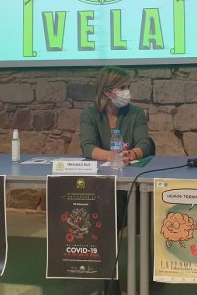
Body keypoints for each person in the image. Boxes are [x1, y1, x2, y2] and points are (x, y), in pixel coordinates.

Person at [79, 66, 151, 295]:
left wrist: (132, 154)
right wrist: (112, 155)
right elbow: (87, 147)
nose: (127, 92)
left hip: (131, 185)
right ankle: (112, 286)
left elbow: (145, 143)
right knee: (104, 219)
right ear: (107, 91)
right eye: (122, 87)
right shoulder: (90, 114)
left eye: (128, 87)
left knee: (117, 214)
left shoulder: (136, 113)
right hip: (101, 186)